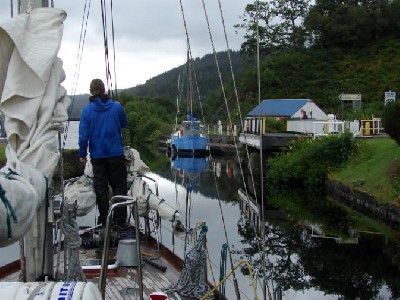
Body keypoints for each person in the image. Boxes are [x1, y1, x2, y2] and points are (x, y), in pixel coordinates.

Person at [79, 79, 128, 227]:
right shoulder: (116, 107)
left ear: (91, 91)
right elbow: (124, 123)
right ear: (104, 89)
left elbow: (83, 136)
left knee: (101, 188)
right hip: (116, 154)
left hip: (98, 156)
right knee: (119, 186)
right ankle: (120, 221)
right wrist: (118, 110)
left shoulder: (86, 111)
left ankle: (104, 219)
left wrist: (82, 154)